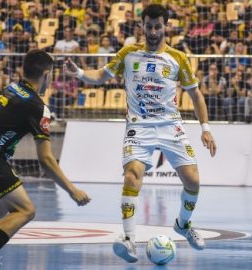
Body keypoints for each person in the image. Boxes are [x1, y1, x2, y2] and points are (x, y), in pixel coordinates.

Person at [64, 4, 216, 263]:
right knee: (132, 177)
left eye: (158, 26)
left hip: (171, 126)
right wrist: (78, 73)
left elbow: (195, 95)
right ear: (142, 26)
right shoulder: (128, 53)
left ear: (166, 26)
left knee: (193, 181)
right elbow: (101, 76)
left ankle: (183, 224)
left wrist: (206, 129)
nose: (154, 31)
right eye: (149, 26)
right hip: (139, 127)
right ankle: (129, 238)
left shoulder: (178, 58)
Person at [0, 50, 91, 269]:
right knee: (25, 210)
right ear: (46, 74)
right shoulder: (37, 106)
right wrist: (72, 190)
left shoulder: (11, 88)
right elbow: (45, 159)